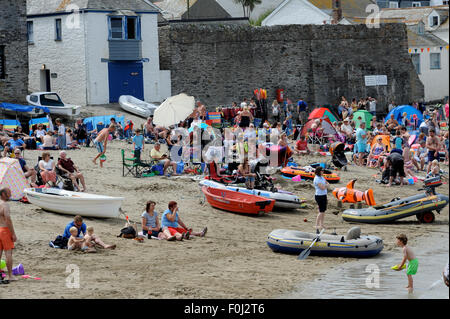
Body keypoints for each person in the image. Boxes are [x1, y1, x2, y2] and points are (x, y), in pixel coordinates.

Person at [0, 188, 17, 283]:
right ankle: (10, 275)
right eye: (8, 193)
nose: (10, 195)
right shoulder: (5, 205)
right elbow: (8, 219)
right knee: (8, 253)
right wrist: (13, 233)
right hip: (4, 230)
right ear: (3, 194)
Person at [313, 167, 328, 234]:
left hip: (324, 195)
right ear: (319, 171)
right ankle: (316, 225)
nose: (323, 171)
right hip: (319, 196)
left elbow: (326, 183)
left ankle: (321, 224)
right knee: (321, 211)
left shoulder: (322, 177)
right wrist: (326, 185)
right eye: (322, 171)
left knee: (323, 211)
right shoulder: (316, 178)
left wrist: (326, 185)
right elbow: (322, 187)